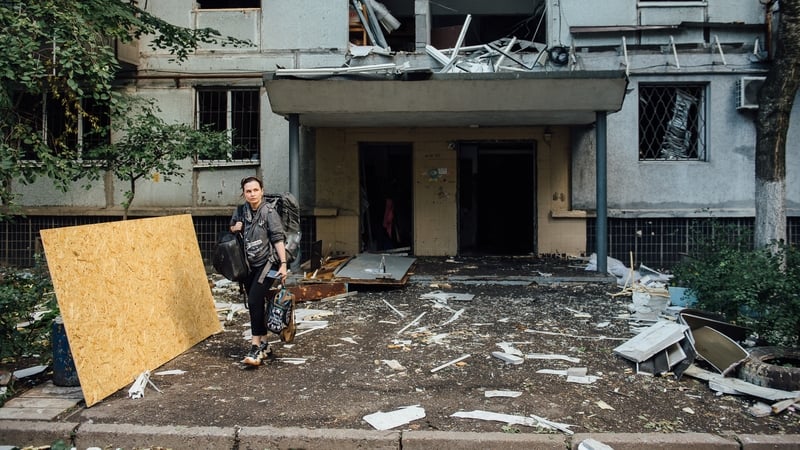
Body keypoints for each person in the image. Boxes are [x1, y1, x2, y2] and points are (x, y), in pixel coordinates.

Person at [229, 176, 289, 366]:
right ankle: (264, 344)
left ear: (262, 191)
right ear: (244, 193)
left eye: (255, 190)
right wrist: (234, 228)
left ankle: (255, 347)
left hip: (268, 263)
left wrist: (283, 263)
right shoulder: (240, 211)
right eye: (248, 191)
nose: (252, 194)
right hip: (247, 265)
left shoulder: (269, 212)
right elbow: (231, 229)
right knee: (256, 304)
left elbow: (278, 238)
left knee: (254, 299)